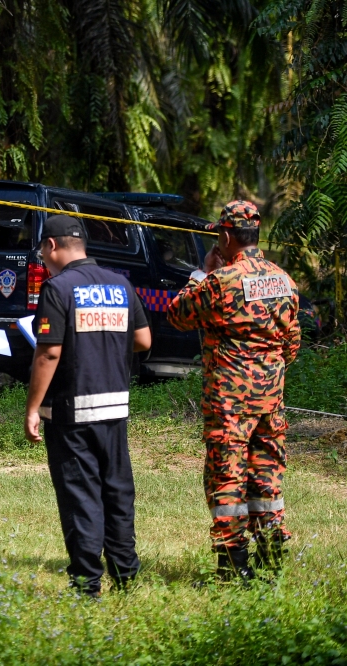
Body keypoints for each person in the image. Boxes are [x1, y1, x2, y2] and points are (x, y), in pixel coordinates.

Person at [167, 200, 300, 581]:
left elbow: (178, 314)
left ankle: (233, 565)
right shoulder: (285, 280)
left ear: (225, 236)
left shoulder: (221, 281)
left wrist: (200, 274)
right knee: (267, 475)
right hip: (270, 401)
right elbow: (291, 343)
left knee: (226, 478)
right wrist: (267, 371)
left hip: (230, 401)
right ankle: (273, 557)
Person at [23, 214, 152, 597]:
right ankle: (126, 577)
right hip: (114, 409)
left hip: (71, 411)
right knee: (116, 492)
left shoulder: (58, 288)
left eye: (43, 253)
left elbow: (48, 353)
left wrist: (32, 407)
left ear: (51, 246)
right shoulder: (120, 284)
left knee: (80, 497)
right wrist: (104, 341)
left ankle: (86, 585)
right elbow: (143, 340)